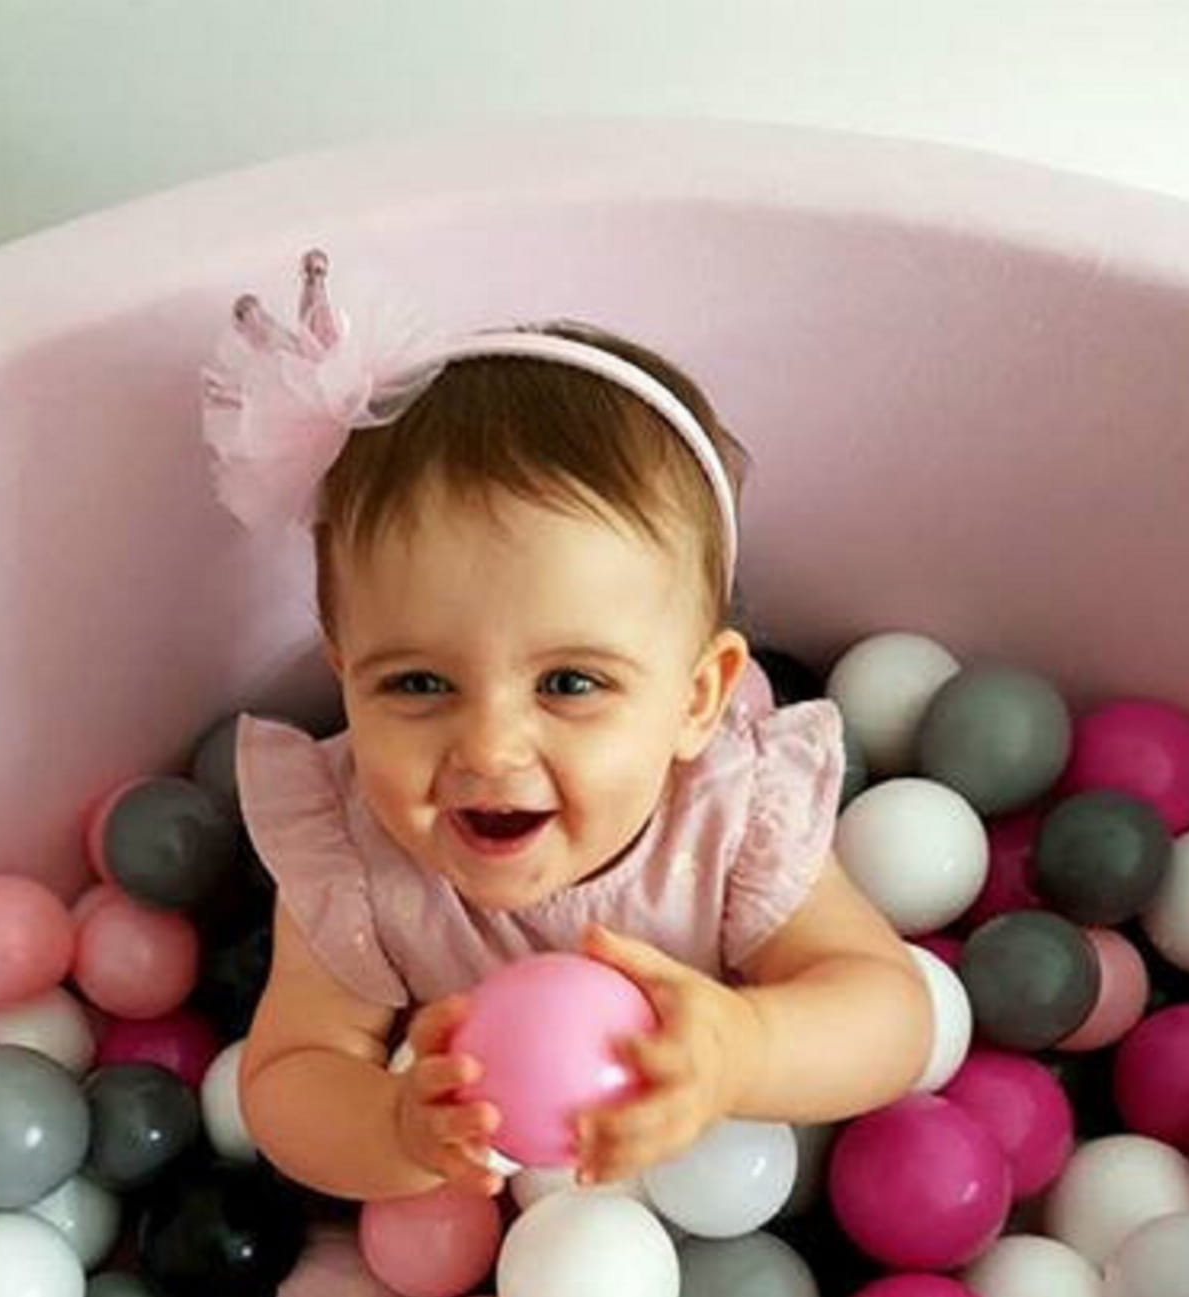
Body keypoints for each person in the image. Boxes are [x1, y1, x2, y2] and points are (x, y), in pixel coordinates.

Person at [202, 250, 930, 1203]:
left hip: (728, 1190)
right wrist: (395, 1126)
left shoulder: (731, 821)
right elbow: (288, 1075)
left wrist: (743, 1051)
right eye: (418, 683)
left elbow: (891, 1014)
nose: (490, 749)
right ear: (346, 682)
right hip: (480, 1224)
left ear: (697, 700)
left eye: (571, 683)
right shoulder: (354, 857)